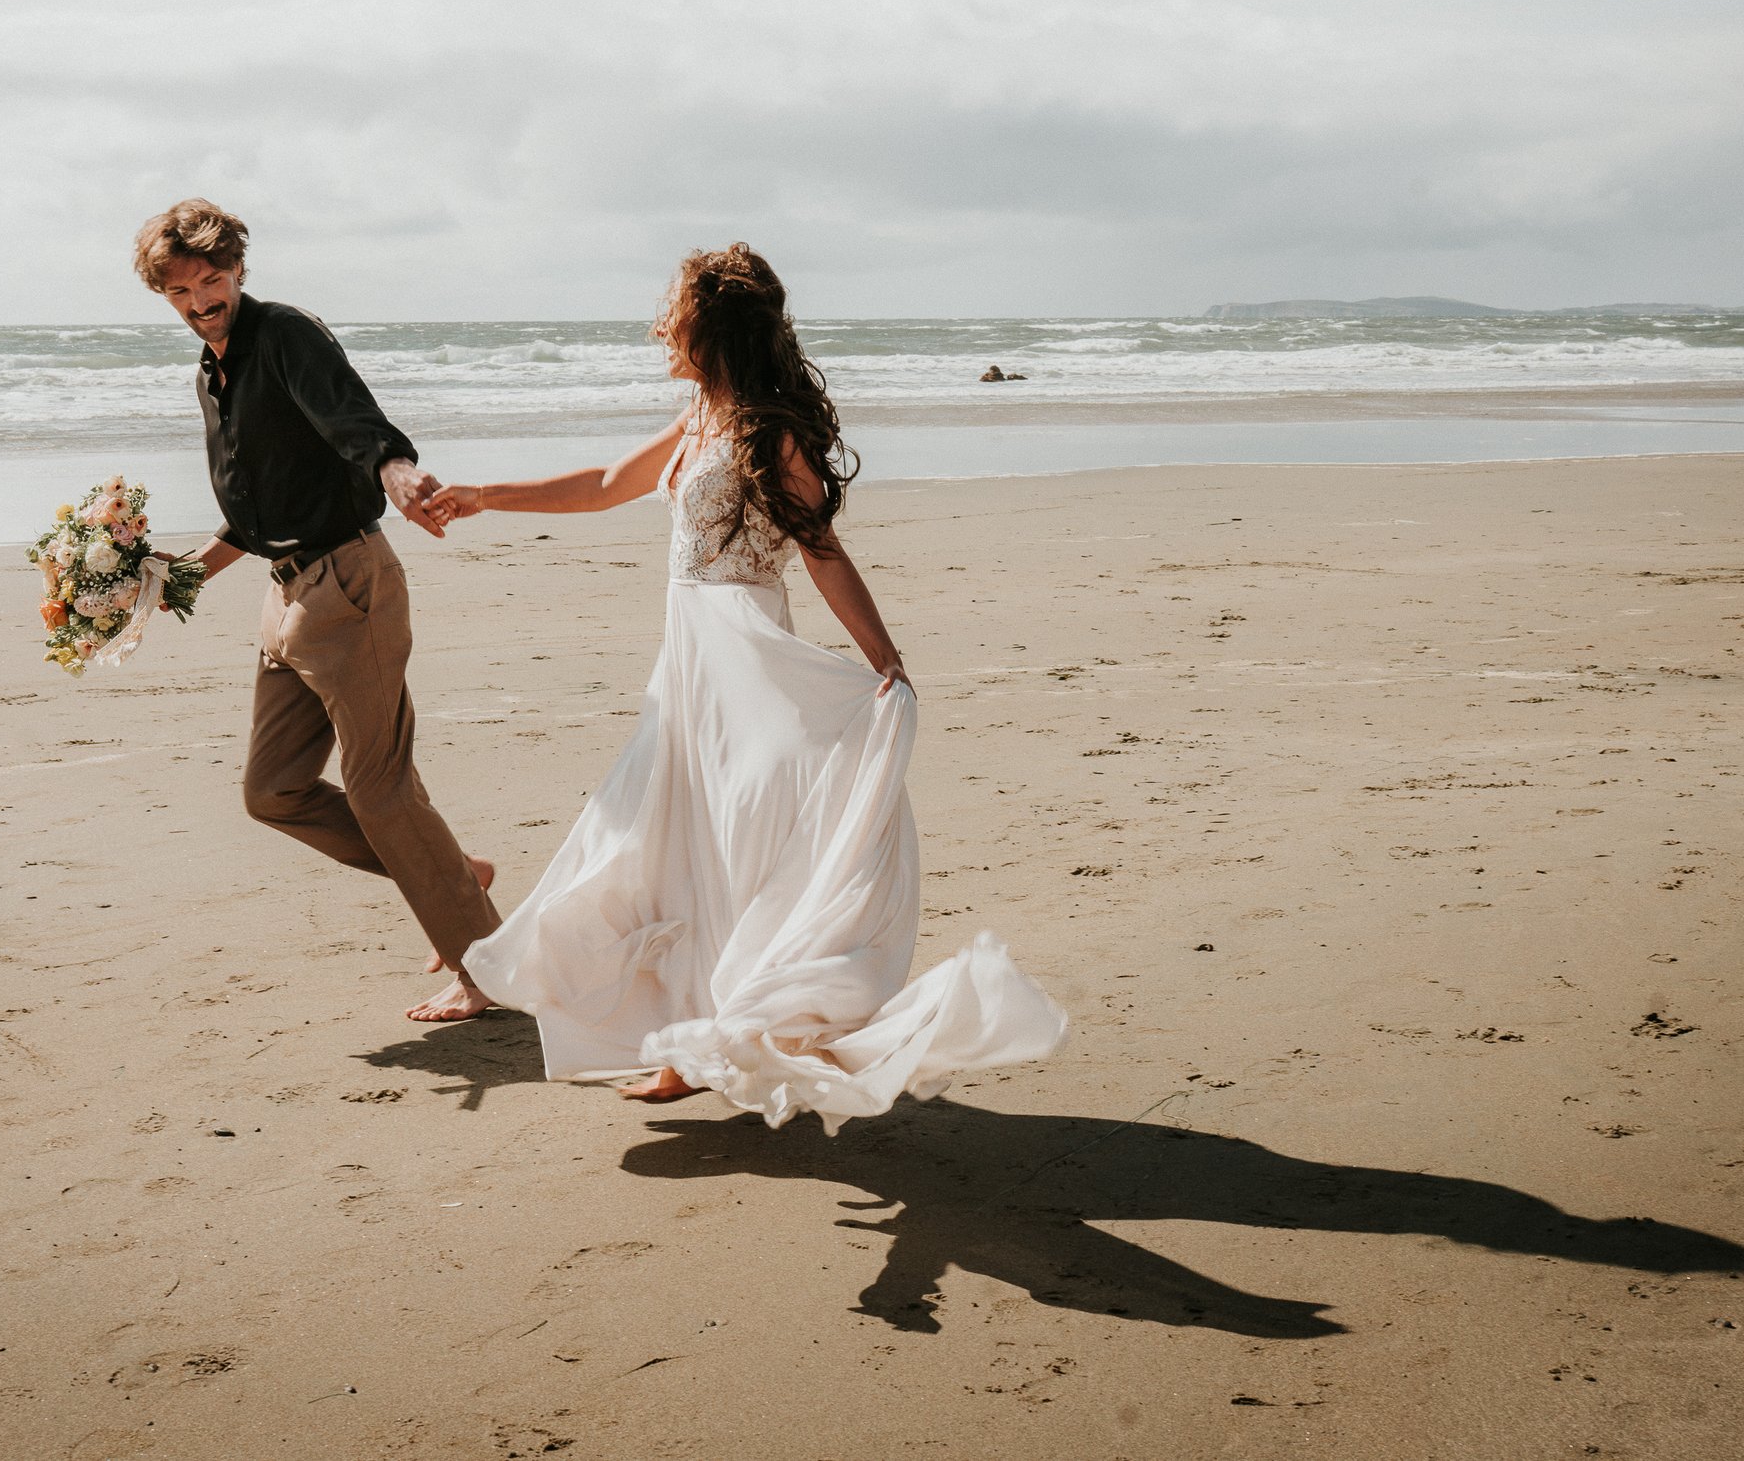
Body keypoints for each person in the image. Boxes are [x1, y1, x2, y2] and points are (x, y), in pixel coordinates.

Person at [432, 244, 1065, 1125]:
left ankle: (717, 1034)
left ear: (712, 328)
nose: (662, 327)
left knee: (737, 838)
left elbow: (820, 549)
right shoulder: (701, 414)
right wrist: (483, 495)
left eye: (675, 315)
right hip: (689, 664)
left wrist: (884, 658)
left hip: (750, 659)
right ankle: (692, 1042)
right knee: (669, 842)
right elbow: (609, 483)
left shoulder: (769, 428)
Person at [135, 199, 501, 1023]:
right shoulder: (212, 370)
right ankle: (450, 869)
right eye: (182, 293)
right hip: (287, 596)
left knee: (380, 790)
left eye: (212, 280)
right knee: (272, 790)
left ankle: (486, 967)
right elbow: (262, 506)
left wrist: (399, 472)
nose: (201, 302)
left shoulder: (285, 336)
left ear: (238, 270)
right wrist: (181, 576)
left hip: (350, 587)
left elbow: (353, 421)